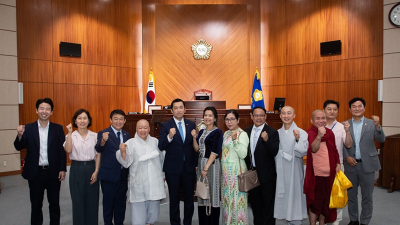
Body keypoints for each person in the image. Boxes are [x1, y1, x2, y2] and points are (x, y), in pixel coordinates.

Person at [14, 98, 66, 225]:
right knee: (36, 205)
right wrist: (20, 135)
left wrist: (62, 169)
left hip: (53, 172)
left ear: (52, 112)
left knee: (54, 204)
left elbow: (61, 150)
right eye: (42, 108)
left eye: (48, 109)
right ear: (36, 110)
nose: (44, 111)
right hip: (35, 173)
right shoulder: (28, 128)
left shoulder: (58, 128)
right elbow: (18, 147)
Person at [343, 97, 385, 225]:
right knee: (352, 196)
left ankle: (365, 221)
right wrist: (346, 156)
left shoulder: (372, 123)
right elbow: (340, 144)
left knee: (367, 197)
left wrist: (378, 126)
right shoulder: (344, 124)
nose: (357, 108)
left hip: (368, 165)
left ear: (364, 108)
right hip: (350, 165)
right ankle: (354, 220)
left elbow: (381, 139)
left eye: (360, 106)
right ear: (350, 109)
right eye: (354, 106)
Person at [116, 119, 166, 225]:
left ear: (149, 129)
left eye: (145, 128)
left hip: (154, 182)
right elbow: (126, 163)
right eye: (140, 128)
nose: (143, 130)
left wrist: (163, 176)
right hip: (138, 183)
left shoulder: (155, 142)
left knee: (153, 214)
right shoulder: (130, 143)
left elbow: (163, 160)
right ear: (136, 129)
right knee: (138, 215)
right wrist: (123, 151)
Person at [158, 98, 197, 225]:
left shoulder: (191, 124)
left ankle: (187, 222)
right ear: (171, 110)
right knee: (174, 200)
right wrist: (169, 136)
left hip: (189, 169)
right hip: (172, 169)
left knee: (189, 200)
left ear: (185, 109)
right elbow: (161, 146)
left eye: (181, 107)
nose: (179, 110)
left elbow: (193, 148)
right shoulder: (165, 125)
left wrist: (195, 166)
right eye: (176, 107)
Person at [64, 109, 100, 225]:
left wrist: (96, 171)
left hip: (91, 168)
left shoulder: (95, 136)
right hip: (76, 169)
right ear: (75, 120)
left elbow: (98, 155)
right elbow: (68, 150)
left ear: (89, 120)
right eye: (79, 118)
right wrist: (69, 133)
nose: (82, 121)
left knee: (92, 201)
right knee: (78, 201)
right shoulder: (71, 136)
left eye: (85, 118)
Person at [304, 110, 340, 225]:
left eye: (323, 118)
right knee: (315, 203)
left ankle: (322, 223)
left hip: (329, 175)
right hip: (316, 176)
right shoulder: (309, 133)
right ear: (312, 120)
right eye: (317, 118)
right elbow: (313, 148)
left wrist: (338, 163)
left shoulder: (329, 133)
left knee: (326, 203)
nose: (321, 121)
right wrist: (319, 136)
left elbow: (334, 150)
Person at [244, 106, 280, 225]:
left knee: (268, 206)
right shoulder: (246, 131)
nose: (258, 118)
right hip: (252, 175)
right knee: (255, 206)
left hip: (267, 176)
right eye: (256, 115)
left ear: (265, 117)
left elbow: (274, 151)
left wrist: (266, 140)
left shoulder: (272, 132)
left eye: (261, 115)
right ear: (251, 116)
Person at [274, 106, 308, 225]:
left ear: (294, 115)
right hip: (281, 169)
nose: (286, 116)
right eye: (283, 113)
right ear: (280, 116)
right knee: (282, 194)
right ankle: (285, 218)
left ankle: (296, 221)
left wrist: (297, 139)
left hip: (294, 170)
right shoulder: (277, 133)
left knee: (294, 195)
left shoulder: (301, 132)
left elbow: (303, 152)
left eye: (289, 113)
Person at [95, 109, 130, 225]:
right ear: (110, 120)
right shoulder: (103, 133)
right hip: (108, 176)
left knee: (120, 204)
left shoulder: (127, 134)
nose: (118, 121)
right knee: (108, 204)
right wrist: (103, 141)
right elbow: (98, 149)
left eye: (121, 119)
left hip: (123, 175)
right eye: (116, 119)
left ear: (124, 121)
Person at [322, 100, 353, 225]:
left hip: (337, 165)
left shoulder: (341, 127)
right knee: (323, 193)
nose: (332, 111)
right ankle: (322, 218)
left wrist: (347, 131)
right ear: (324, 110)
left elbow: (349, 145)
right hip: (321, 165)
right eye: (329, 109)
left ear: (338, 111)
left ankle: (337, 219)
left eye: (335, 109)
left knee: (338, 193)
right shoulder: (319, 126)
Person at [191, 106, 223, 225]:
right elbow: (197, 149)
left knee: (212, 195)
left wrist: (206, 168)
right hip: (201, 164)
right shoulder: (203, 131)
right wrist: (194, 138)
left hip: (212, 165)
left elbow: (215, 151)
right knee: (202, 193)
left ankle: (213, 221)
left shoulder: (218, 132)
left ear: (215, 118)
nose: (207, 118)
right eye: (205, 115)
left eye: (210, 115)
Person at [220, 109, 249, 225]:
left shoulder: (242, 134)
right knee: (227, 203)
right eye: (227, 119)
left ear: (238, 120)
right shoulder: (226, 133)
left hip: (237, 173)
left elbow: (243, 154)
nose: (229, 122)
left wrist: (235, 140)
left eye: (232, 119)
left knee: (237, 203)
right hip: (226, 173)